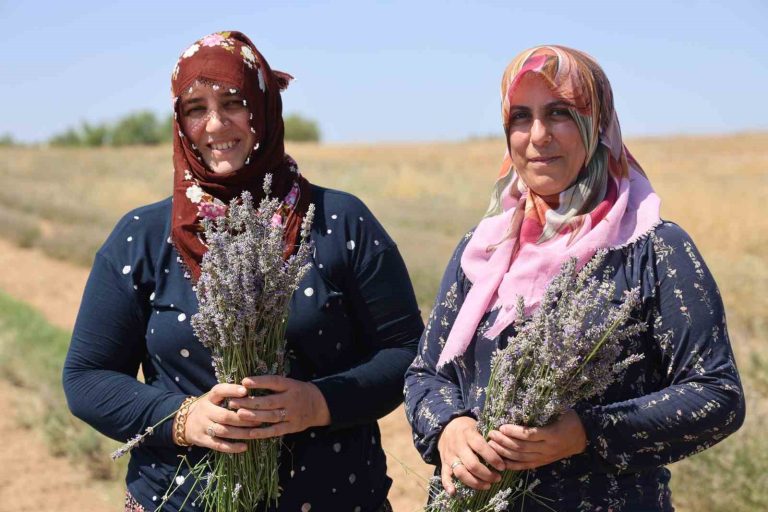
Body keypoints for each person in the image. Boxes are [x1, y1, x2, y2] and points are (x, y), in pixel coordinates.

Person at [63, 31, 423, 512]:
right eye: (195, 108)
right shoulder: (142, 237)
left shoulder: (341, 222)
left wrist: (318, 403)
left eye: (234, 102)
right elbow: (87, 378)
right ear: (179, 122)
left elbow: (406, 353)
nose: (216, 125)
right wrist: (183, 418)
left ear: (266, 107)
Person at [404, 45, 745, 511]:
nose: (537, 136)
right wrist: (449, 428)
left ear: (597, 124)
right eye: (520, 117)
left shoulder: (653, 248)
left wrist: (589, 432)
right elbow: (427, 374)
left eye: (560, 113)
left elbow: (717, 394)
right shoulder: (482, 248)